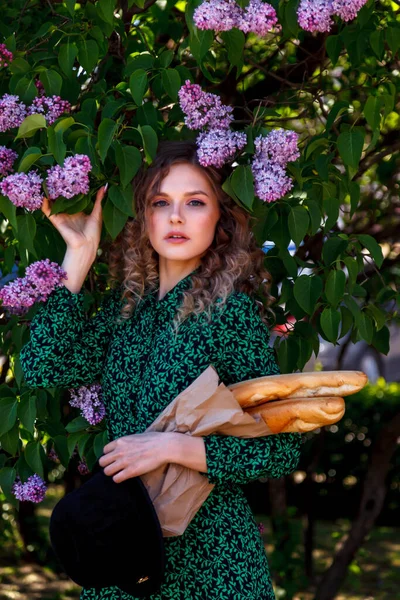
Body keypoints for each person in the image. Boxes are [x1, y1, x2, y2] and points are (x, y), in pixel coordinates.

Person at [19, 139, 302, 600]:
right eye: (160, 203)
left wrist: (174, 447)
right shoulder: (126, 311)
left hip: (211, 557)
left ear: (220, 217)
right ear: (143, 217)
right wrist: (79, 255)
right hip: (122, 549)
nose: (175, 216)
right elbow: (41, 367)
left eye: (194, 202)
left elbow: (281, 449)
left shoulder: (230, 315)